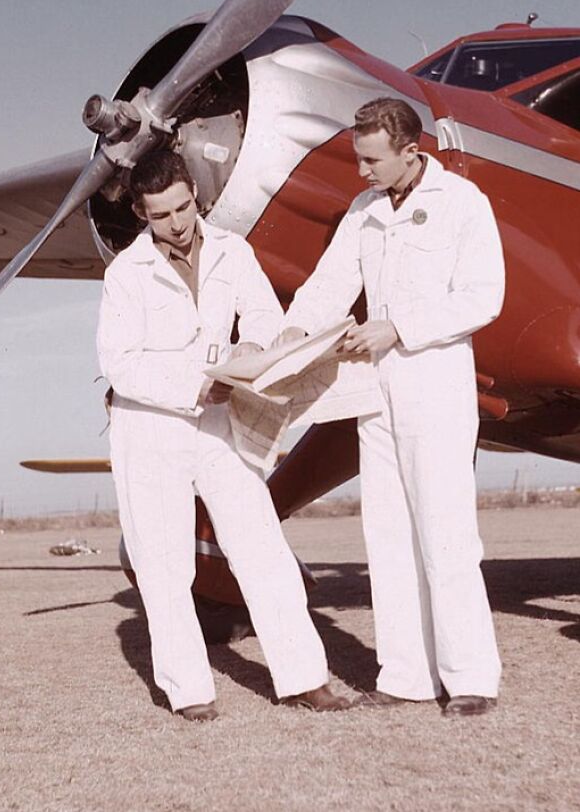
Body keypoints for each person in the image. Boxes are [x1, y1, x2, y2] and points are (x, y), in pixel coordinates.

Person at [97, 149, 349, 721]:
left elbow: (261, 312)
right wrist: (193, 384)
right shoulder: (124, 275)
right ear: (142, 213)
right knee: (164, 565)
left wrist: (256, 351)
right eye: (161, 216)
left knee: (261, 545)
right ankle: (189, 693)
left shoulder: (233, 252)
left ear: (195, 194)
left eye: (184, 208)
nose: (178, 224)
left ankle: (305, 678)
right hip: (150, 429)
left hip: (218, 422)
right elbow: (119, 363)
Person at [276, 98, 505, 717]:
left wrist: (398, 327)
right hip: (375, 393)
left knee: (445, 531)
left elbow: (484, 297)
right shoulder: (364, 210)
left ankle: (471, 680)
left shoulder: (463, 203)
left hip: (434, 385)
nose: (361, 172)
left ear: (410, 151)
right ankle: (404, 677)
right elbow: (328, 285)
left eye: (371, 160)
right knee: (387, 534)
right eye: (358, 159)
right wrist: (291, 337)